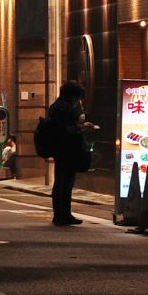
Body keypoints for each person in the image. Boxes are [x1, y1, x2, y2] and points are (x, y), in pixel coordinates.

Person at [48, 81, 90, 226]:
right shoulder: (67, 109)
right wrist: (84, 127)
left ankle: (58, 214)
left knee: (59, 182)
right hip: (68, 149)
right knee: (66, 183)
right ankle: (64, 215)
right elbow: (70, 130)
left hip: (57, 148)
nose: (78, 101)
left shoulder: (54, 107)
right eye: (78, 98)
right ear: (73, 96)